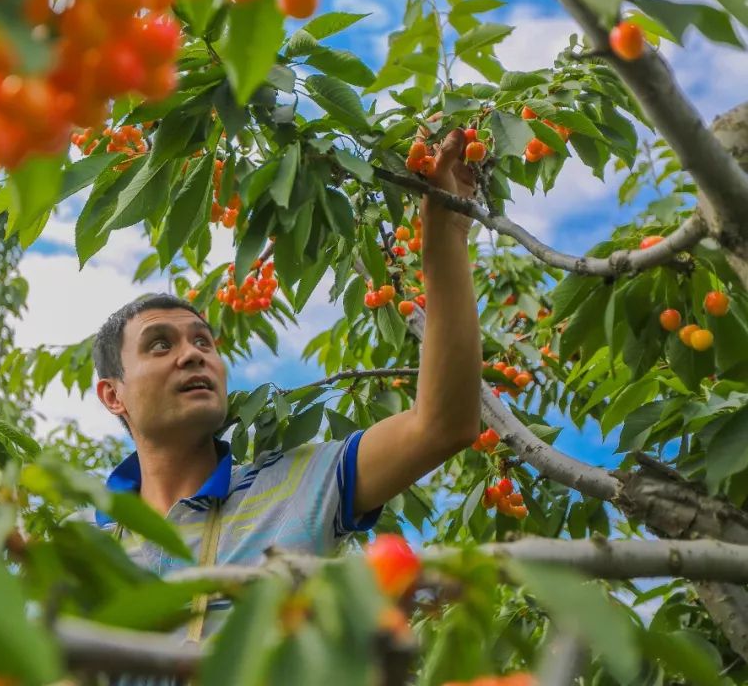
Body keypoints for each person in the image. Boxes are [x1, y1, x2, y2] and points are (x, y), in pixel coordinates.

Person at [89, 128, 481, 642]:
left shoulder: (299, 485)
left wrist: (444, 239)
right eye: (159, 345)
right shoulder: (81, 540)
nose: (192, 355)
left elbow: (442, 424)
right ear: (112, 394)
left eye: (204, 342)